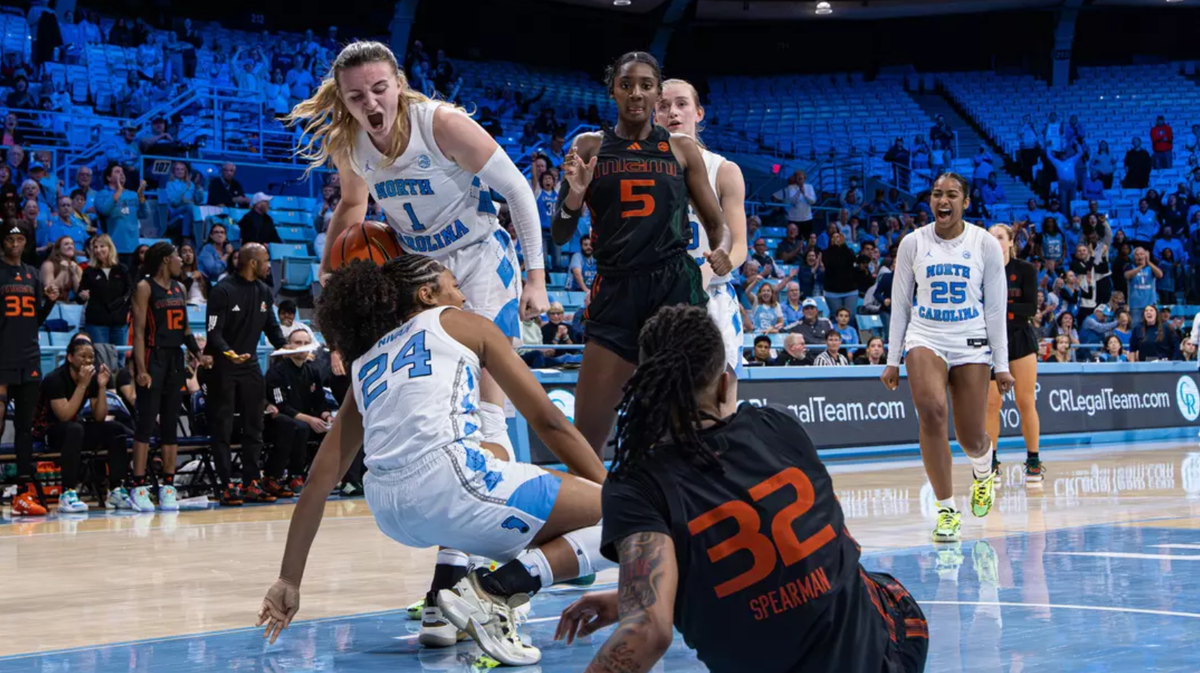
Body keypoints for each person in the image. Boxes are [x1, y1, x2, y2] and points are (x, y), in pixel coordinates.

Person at [257, 256, 613, 666]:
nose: (462, 295)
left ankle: (445, 596)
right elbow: (549, 422)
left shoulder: (366, 360)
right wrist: (612, 493)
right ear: (427, 294)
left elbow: (319, 481)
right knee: (635, 513)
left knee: (494, 456)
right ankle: (497, 590)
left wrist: (288, 579)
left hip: (390, 509)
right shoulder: (462, 322)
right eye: (454, 284)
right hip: (450, 483)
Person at [554, 304, 928, 673]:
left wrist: (642, 600)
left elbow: (648, 630)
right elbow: (788, 551)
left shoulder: (637, 484)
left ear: (644, 384)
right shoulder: (778, 425)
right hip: (887, 650)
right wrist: (636, 598)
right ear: (722, 384)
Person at [290, 40, 549, 468]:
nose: (370, 102)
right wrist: (327, 266)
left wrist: (536, 277)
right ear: (343, 100)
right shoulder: (350, 142)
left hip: (480, 255)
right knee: (434, 384)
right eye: (356, 96)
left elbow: (518, 191)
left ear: (398, 84)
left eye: (379, 88)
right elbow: (354, 204)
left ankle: (500, 492)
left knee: (489, 387)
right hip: (416, 267)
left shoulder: (442, 125)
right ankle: (450, 489)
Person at [548, 52, 731, 461]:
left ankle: (693, 512)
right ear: (612, 90)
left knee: (689, 426)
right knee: (587, 445)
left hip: (674, 289)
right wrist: (575, 195)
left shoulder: (682, 149)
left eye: (646, 85)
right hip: (615, 290)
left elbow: (717, 224)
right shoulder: (589, 145)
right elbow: (560, 233)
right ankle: (593, 515)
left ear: (657, 92)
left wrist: (720, 250)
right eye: (626, 84)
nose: (636, 93)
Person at [882, 173, 1012, 543]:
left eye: (952, 194)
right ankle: (946, 510)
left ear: (965, 202)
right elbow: (901, 306)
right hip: (925, 336)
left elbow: (995, 309)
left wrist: (1001, 364)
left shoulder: (984, 244)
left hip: (970, 339)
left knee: (971, 436)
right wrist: (893, 359)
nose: (943, 200)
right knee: (931, 411)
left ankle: (983, 471)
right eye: (937, 194)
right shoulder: (912, 243)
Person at [658, 78, 748, 388]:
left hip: (711, 296)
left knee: (719, 401)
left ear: (698, 113)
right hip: (658, 297)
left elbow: (739, 247)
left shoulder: (724, 170)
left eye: (682, 104)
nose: (673, 112)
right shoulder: (637, 172)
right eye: (663, 106)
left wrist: (711, 269)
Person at [204, 243, 288, 506]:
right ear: (252, 262)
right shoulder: (222, 291)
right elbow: (213, 333)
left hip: (250, 366)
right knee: (224, 427)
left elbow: (273, 331)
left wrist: (293, 348)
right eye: (265, 260)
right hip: (224, 367)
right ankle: (227, 485)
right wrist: (229, 353)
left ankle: (252, 482)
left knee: (255, 426)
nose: (268, 265)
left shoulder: (264, 291)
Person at [130, 242, 208, 511]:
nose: (181, 260)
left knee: (171, 424)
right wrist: (140, 369)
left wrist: (198, 354)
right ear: (165, 260)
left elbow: (186, 328)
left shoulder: (180, 288)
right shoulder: (145, 287)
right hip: (153, 357)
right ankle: (138, 486)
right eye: (177, 256)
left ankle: (168, 486)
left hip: (175, 358)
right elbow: (139, 332)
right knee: (146, 421)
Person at [30, 336, 131, 512]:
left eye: (91, 356)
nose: (88, 360)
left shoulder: (91, 378)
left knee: (115, 429)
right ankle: (67, 493)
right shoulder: (55, 379)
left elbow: (99, 417)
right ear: (70, 358)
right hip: (47, 432)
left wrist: (101, 387)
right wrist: (82, 386)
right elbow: (64, 415)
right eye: (83, 356)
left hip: (73, 431)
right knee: (74, 429)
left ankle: (115, 490)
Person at [0, 223, 60, 515]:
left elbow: (36, 320)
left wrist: (49, 302)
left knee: (25, 428)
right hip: (1, 357)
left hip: (29, 357)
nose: (14, 244)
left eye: (19, 239)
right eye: (10, 239)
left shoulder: (34, 275)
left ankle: (23, 493)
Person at [985, 225, 1043, 480]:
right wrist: (1007, 307)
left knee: (1025, 401)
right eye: (991, 237)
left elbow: (1029, 307)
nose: (995, 241)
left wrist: (1000, 308)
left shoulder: (1026, 270)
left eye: (1000, 237)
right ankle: (991, 462)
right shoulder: (979, 269)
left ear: (1010, 242)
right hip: (989, 342)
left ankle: (1033, 460)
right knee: (990, 404)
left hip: (1020, 338)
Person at [263, 328, 329, 497]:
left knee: (332, 428)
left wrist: (327, 416)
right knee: (299, 426)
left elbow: (320, 402)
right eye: (297, 343)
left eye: (306, 343)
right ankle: (281, 476)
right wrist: (310, 420)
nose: (302, 347)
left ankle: (334, 478)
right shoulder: (277, 372)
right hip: (279, 421)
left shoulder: (312, 371)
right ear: (289, 346)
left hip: (305, 420)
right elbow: (282, 405)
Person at [80, 234, 133, 346]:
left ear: (110, 248)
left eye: (102, 246)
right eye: (95, 247)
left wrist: (121, 305)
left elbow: (129, 291)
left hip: (119, 321)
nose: (98, 250)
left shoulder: (122, 269)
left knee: (119, 356)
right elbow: (80, 293)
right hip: (96, 322)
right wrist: (82, 295)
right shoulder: (89, 271)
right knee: (101, 355)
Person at [95, 164, 148, 266]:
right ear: (109, 177)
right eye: (117, 172)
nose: (122, 174)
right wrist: (118, 190)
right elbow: (104, 210)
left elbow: (145, 214)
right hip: (113, 248)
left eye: (122, 172)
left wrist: (141, 197)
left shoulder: (132, 194)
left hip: (133, 248)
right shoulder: (102, 194)